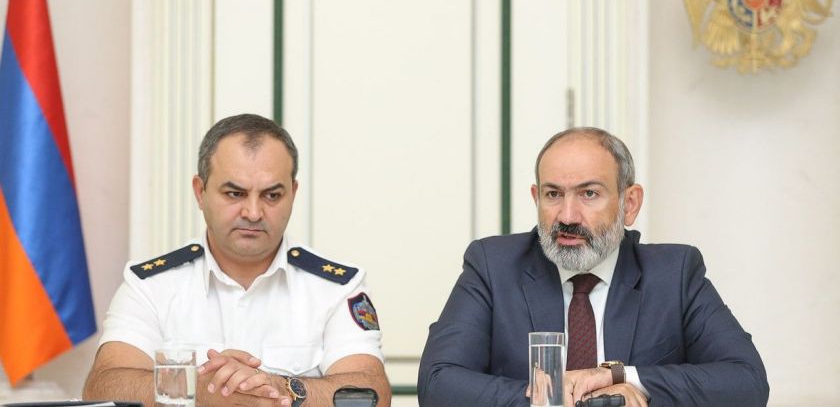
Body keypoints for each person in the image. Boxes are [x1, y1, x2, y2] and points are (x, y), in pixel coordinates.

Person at [417, 127, 769, 407]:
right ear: (536, 198)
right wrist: (558, 400)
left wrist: (624, 379)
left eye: (589, 194)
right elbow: (438, 382)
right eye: (553, 194)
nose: (568, 216)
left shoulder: (674, 274)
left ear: (629, 203)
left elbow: (746, 381)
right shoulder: (493, 266)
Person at [83, 114, 391, 407]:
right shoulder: (151, 286)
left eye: (272, 195)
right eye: (234, 193)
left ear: (293, 194)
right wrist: (197, 391)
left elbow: (372, 395)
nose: (253, 213)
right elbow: (103, 387)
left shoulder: (337, 287)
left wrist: (281, 388)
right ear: (200, 192)